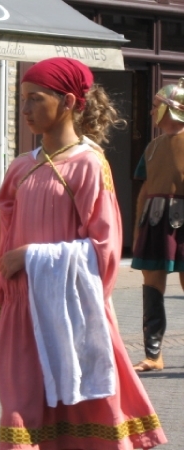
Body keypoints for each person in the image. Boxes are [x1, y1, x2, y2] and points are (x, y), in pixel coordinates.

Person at [0, 57, 167, 449]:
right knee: (19, 418)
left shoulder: (89, 165)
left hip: (72, 316)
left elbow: (105, 253)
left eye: (36, 99)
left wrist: (32, 256)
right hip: (20, 316)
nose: (26, 109)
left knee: (78, 419)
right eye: (23, 99)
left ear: (67, 101)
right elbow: (4, 258)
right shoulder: (19, 170)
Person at [131, 78, 184, 372]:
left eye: (155, 106)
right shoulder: (152, 147)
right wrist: (138, 227)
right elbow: (146, 188)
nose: (151, 112)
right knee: (152, 286)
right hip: (154, 218)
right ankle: (153, 355)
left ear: (172, 109)